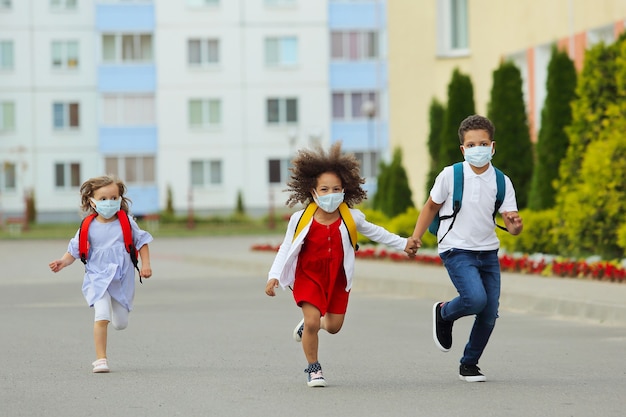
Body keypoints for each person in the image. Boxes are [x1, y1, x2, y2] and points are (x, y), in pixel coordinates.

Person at [265, 142, 418, 387]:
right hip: (309, 277)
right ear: (312, 191)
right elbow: (286, 246)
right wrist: (274, 275)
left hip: (337, 279)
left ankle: (308, 327)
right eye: (324, 189)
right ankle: (313, 368)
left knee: (333, 327)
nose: (330, 194)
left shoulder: (351, 217)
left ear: (345, 190)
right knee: (314, 321)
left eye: (336, 188)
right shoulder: (300, 219)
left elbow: (377, 233)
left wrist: (404, 244)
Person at [411, 114, 523, 382]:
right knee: (475, 299)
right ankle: (444, 312)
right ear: (463, 149)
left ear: (492, 146)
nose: (477, 149)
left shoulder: (501, 181)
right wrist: (415, 238)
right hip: (456, 249)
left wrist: (516, 225)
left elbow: (513, 223)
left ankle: (469, 364)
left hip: (488, 252)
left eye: (483, 144)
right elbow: (430, 207)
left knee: (488, 313)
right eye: (471, 145)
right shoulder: (451, 175)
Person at [49, 175, 153, 373]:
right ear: (92, 201)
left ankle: (117, 311)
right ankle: (101, 360)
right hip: (97, 278)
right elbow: (74, 250)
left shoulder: (126, 223)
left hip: (121, 279)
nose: (110, 203)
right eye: (103, 199)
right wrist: (63, 262)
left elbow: (142, 241)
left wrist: (145, 264)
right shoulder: (87, 226)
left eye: (114, 198)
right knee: (102, 313)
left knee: (121, 323)